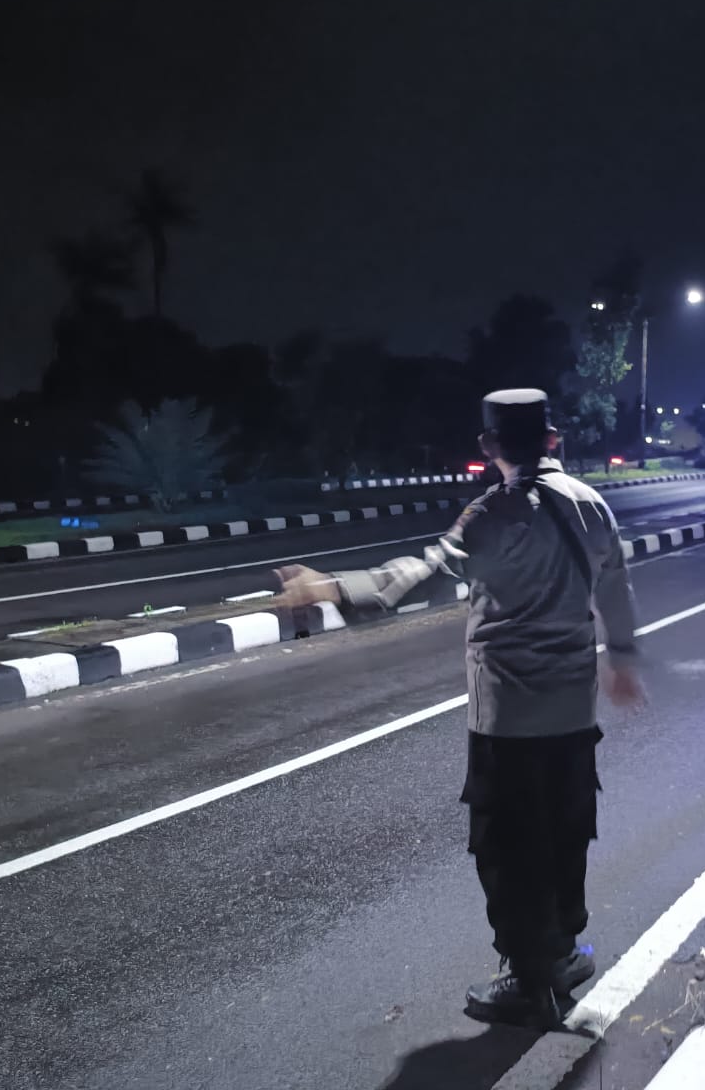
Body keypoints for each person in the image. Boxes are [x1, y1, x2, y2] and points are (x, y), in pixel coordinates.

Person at [274, 388, 646, 1030]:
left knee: (506, 844)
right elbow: (616, 584)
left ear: (487, 446)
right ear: (552, 439)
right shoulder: (592, 505)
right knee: (565, 829)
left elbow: (420, 571)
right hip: (572, 707)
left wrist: (328, 588)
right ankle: (562, 952)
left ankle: (533, 983)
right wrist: (623, 657)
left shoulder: (491, 514)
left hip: (507, 714)